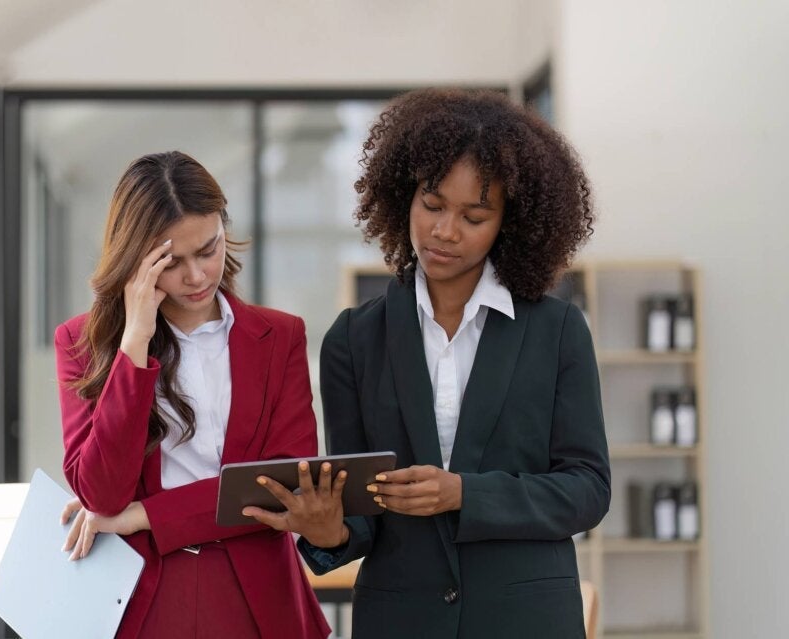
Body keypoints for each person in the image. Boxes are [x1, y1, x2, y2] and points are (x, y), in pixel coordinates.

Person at [244, 89, 611, 639]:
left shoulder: (557, 331)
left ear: (510, 221)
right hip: (400, 621)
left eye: (474, 215)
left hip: (526, 621)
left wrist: (465, 493)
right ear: (403, 197)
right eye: (432, 204)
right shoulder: (353, 338)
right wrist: (328, 532)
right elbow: (360, 513)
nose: (445, 231)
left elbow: (587, 489)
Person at [54, 151, 330, 639]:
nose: (198, 276)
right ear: (135, 260)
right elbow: (101, 493)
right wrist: (134, 342)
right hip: (141, 603)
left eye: (208, 249)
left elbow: (281, 480)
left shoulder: (281, 336)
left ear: (224, 228)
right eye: (171, 261)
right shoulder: (82, 344)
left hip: (260, 605)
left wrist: (144, 515)